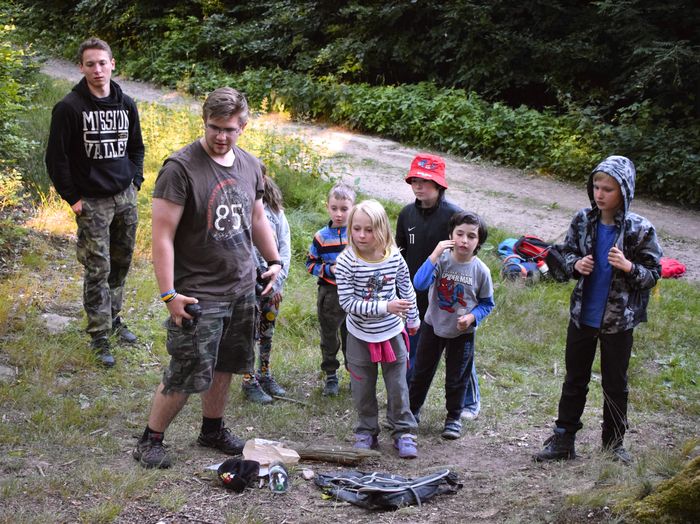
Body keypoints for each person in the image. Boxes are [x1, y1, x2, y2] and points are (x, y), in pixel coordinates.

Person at [132, 87, 282, 469]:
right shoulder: (179, 169)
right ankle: (151, 439)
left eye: (229, 129)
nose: (221, 136)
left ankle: (212, 430)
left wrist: (274, 260)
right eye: (214, 127)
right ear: (204, 122)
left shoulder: (250, 165)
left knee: (226, 363)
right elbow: (162, 237)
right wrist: (169, 295)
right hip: (198, 292)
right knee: (186, 369)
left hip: (241, 286)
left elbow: (257, 217)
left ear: (243, 126)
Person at [533, 155, 662, 465]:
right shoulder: (583, 220)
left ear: (625, 191)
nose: (600, 194)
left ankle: (613, 444)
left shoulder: (640, 229)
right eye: (596, 187)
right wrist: (576, 264)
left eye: (608, 189)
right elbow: (564, 257)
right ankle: (564, 440)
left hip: (619, 322)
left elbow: (653, 273)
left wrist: (629, 267)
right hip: (583, 316)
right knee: (574, 379)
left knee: (615, 384)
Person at [45, 37, 144, 367]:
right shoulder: (69, 108)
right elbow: (56, 158)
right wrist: (72, 197)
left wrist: (136, 181)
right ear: (81, 67)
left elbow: (136, 147)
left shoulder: (126, 103)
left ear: (112, 64)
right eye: (90, 64)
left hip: (125, 197)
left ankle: (114, 319)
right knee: (97, 267)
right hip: (92, 201)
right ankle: (99, 334)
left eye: (103, 63)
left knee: (121, 262)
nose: (97, 69)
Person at [396, 154, 481, 420]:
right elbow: (400, 252)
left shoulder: (454, 216)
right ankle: (411, 403)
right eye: (415, 181)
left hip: (448, 295)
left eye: (425, 181)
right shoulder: (406, 214)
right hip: (415, 291)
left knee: (459, 351)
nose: (419, 186)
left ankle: (469, 402)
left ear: (439, 184)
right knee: (416, 351)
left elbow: (469, 253)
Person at [334, 200, 421, 459]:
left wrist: (413, 318)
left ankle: (403, 431)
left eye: (369, 230)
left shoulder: (393, 256)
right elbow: (348, 303)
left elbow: (406, 287)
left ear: (382, 230)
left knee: (398, 386)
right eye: (356, 229)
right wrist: (386, 307)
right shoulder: (346, 261)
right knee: (362, 387)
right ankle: (366, 430)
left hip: (391, 333)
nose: (362, 235)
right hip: (359, 335)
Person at [409, 211, 495, 440]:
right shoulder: (442, 261)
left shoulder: (481, 271)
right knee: (421, 372)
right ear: (450, 235)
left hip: (462, 333)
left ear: (479, 241)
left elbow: (487, 303)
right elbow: (419, 283)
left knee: (457, 377)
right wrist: (435, 254)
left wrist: (472, 317)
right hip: (433, 326)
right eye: (460, 234)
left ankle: (453, 418)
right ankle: (411, 412)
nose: (464, 240)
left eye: (471, 236)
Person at [242, 168, 291, 404]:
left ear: (263, 178)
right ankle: (248, 379)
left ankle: (265, 373)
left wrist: (277, 283)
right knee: (248, 332)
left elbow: (284, 248)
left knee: (266, 332)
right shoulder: (240, 208)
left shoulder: (275, 211)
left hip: (272, 285)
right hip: (246, 285)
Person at [305, 183, 356, 396]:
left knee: (353, 336)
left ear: (353, 208)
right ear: (327, 207)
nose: (339, 214)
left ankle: (356, 375)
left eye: (344, 209)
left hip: (355, 294)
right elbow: (310, 263)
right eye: (334, 208)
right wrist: (328, 269)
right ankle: (331, 376)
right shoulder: (322, 237)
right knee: (329, 336)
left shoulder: (358, 234)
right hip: (330, 294)